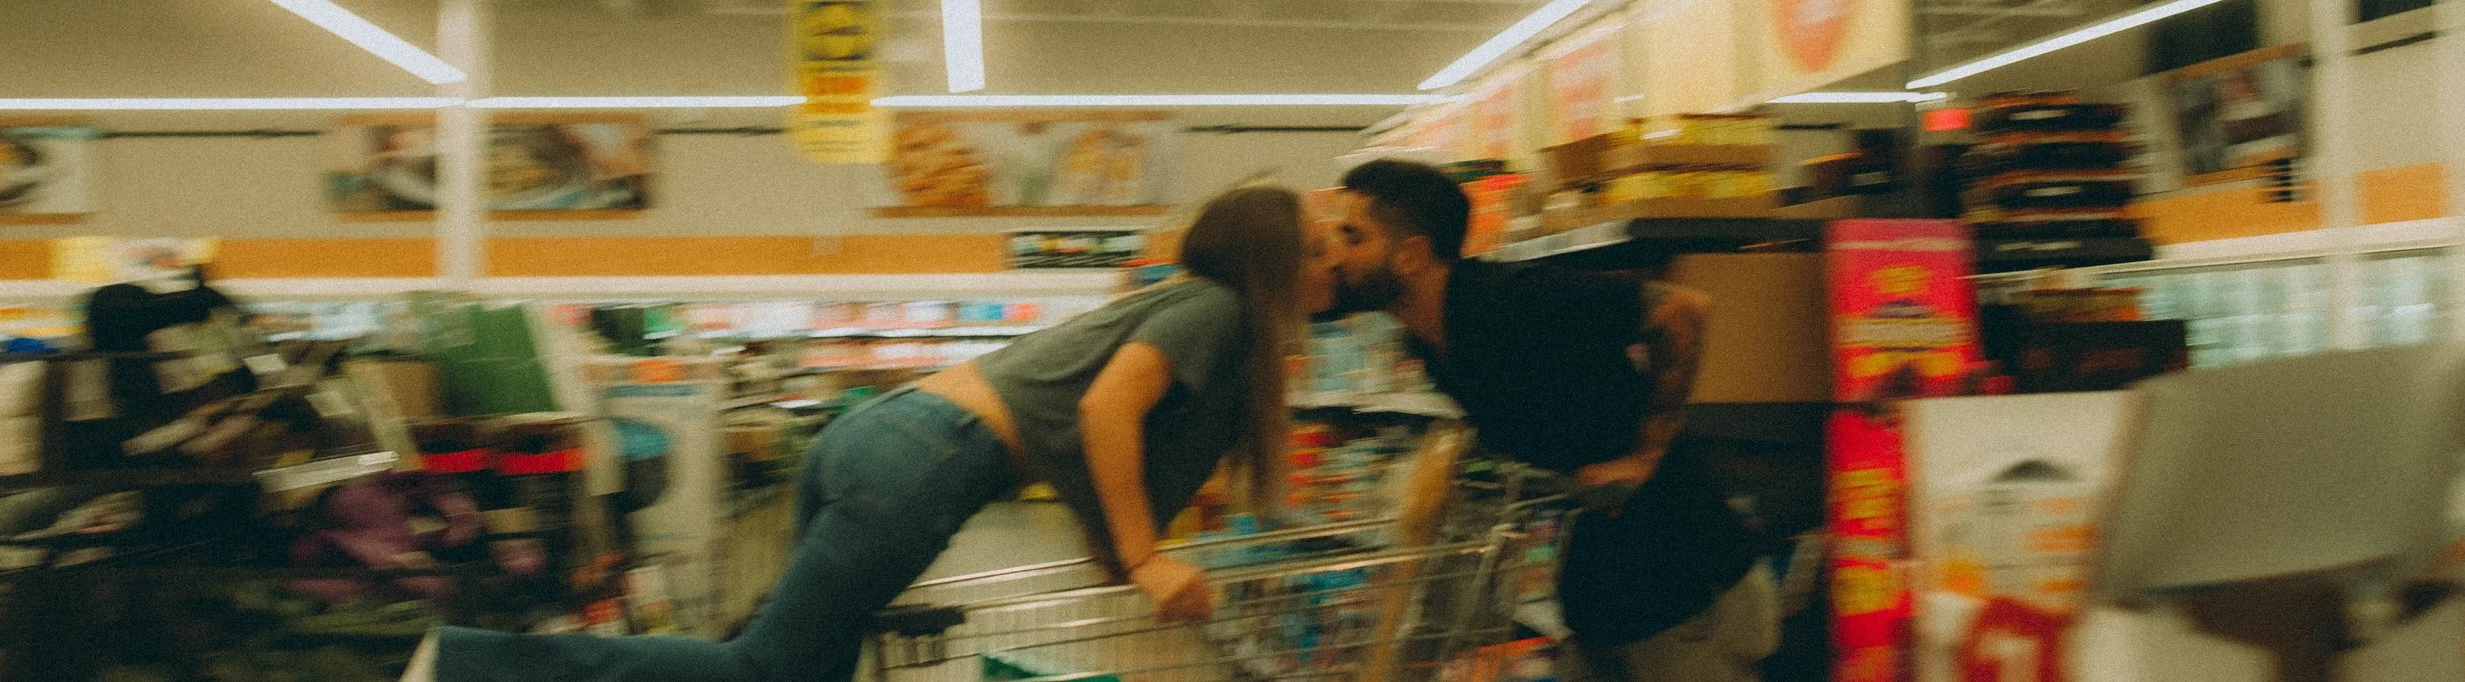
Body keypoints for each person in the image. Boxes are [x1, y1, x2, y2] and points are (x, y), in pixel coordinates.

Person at [407, 185, 1340, 682]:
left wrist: (1119, 546)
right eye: (1319, 247)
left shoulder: (1197, 314)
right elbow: (1104, 411)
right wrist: (1142, 558)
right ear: (1269, 258)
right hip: (925, 461)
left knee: (802, 675)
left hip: (898, 443)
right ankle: (469, 663)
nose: (1332, 264)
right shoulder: (1214, 308)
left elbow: (1089, 426)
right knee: (764, 669)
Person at [1321, 160, 1777, 681]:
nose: (1334, 256)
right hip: (1604, 592)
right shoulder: (1426, 343)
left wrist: (1645, 453)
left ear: (1411, 255)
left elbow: (1682, 309)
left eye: (1352, 237)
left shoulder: (1508, 301)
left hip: (1690, 593)